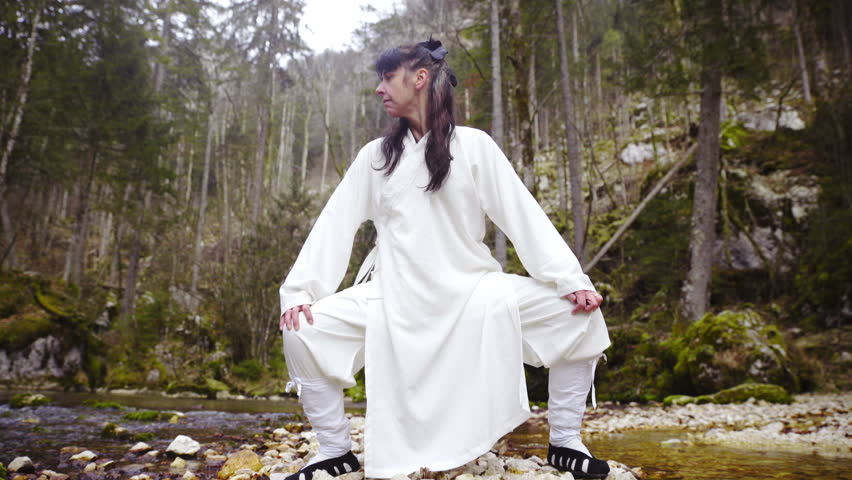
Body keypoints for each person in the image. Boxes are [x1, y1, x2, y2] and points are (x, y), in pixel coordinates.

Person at [278, 38, 611, 480]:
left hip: (474, 293)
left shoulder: (474, 146)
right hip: (391, 299)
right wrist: (301, 292)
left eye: (387, 77)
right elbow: (333, 228)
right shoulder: (375, 158)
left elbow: (522, 216)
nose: (379, 89)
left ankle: (566, 441)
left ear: (419, 79)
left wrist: (571, 280)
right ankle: (334, 449)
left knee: (579, 318)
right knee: (301, 329)